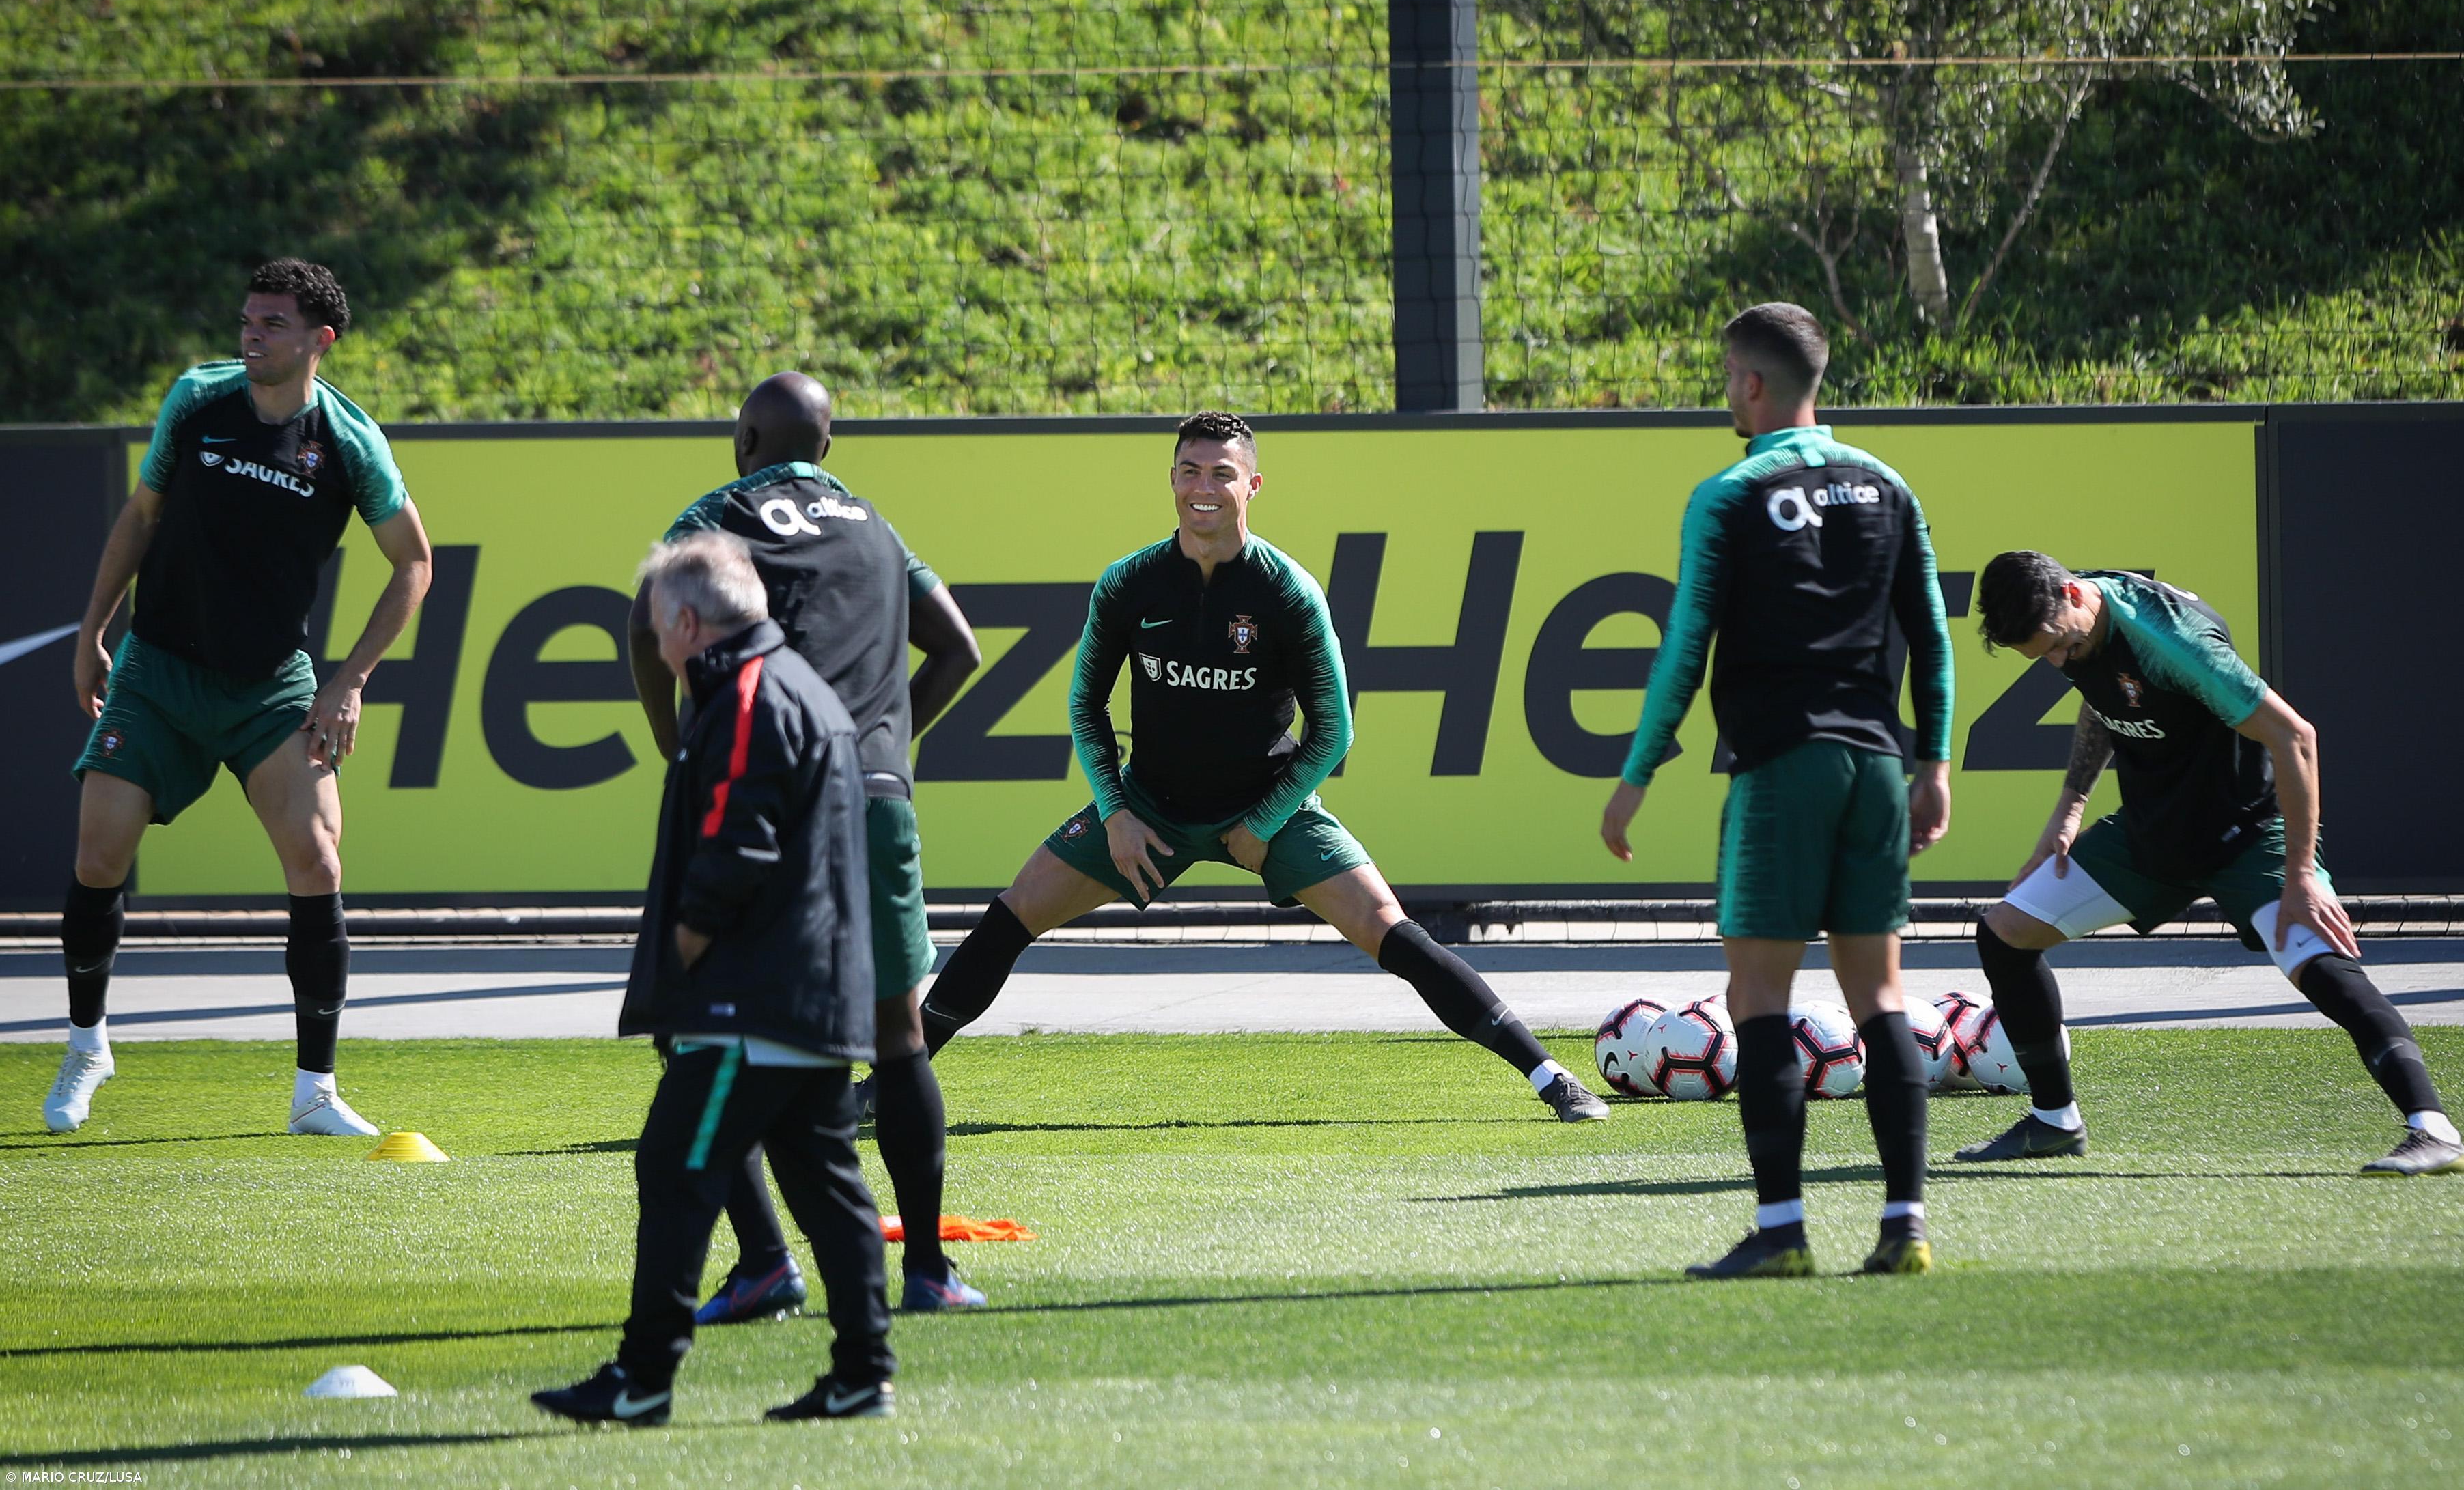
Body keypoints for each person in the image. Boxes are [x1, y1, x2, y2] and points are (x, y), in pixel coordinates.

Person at [918, 410, 1612, 1123]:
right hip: (1148, 808)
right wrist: (1114, 811)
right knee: (1010, 913)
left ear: (1252, 484)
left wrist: (1265, 822)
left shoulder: (1287, 592)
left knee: (1389, 926)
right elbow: (1084, 707)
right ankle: (892, 1082)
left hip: (1267, 806)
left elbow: (1333, 730)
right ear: (1171, 481)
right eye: (1189, 471)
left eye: (1221, 473)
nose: (1203, 488)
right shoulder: (1127, 583)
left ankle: (1550, 1076)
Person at [1599, 303, 1955, 1279]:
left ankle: (1785, 1230)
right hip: (1879, 765)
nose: (1726, 393)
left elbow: (1684, 653)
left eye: (1727, 377)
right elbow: (1931, 632)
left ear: (1753, 385)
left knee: (1757, 993)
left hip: (1782, 766)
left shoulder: (1729, 494)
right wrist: (1936, 763)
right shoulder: (1889, 485)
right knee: (1879, 995)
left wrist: (1636, 775)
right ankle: (1906, 1225)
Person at [627, 372, 988, 1320]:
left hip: (766, 788)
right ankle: (931, 1276)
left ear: (744, 438)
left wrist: (678, 747)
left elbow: (645, 616)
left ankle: (764, 1266)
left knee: (700, 1020)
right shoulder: (878, 525)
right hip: (875, 794)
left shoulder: (719, 510)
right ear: (828, 448)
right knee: (899, 1034)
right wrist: (890, 740)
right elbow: (958, 646)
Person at [44, 258, 432, 1137]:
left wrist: (349, 680)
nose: (250, 333)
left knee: (319, 863)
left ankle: (315, 1093)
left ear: (318, 340)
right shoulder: (197, 401)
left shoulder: (349, 440)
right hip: (157, 670)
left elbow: (415, 562)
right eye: (247, 319)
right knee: (100, 854)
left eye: (272, 323)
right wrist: (90, 631)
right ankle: (85, 1044)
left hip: (270, 684)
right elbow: (141, 517)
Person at [534, 533, 895, 1427]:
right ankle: (863, 1373)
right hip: (812, 998)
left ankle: (644, 1377)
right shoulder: (804, 685)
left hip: (752, 1001)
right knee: (827, 1184)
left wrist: (685, 955)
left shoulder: (744, 693)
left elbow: (739, 843)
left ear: (688, 623)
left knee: (674, 1164)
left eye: (659, 628)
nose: (658, 649)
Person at [1960, 551, 2458, 1175]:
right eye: (2043, 657)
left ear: (2071, 594)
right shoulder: (2076, 621)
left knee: (2320, 963)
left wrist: (2302, 872)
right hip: (2152, 835)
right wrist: (2070, 807)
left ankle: (2433, 1130)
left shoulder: (2172, 640)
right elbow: (2105, 698)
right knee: (2006, 931)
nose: (2058, 661)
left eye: (2059, 646)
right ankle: (2056, 1121)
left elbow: (2295, 736)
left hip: (2247, 832)